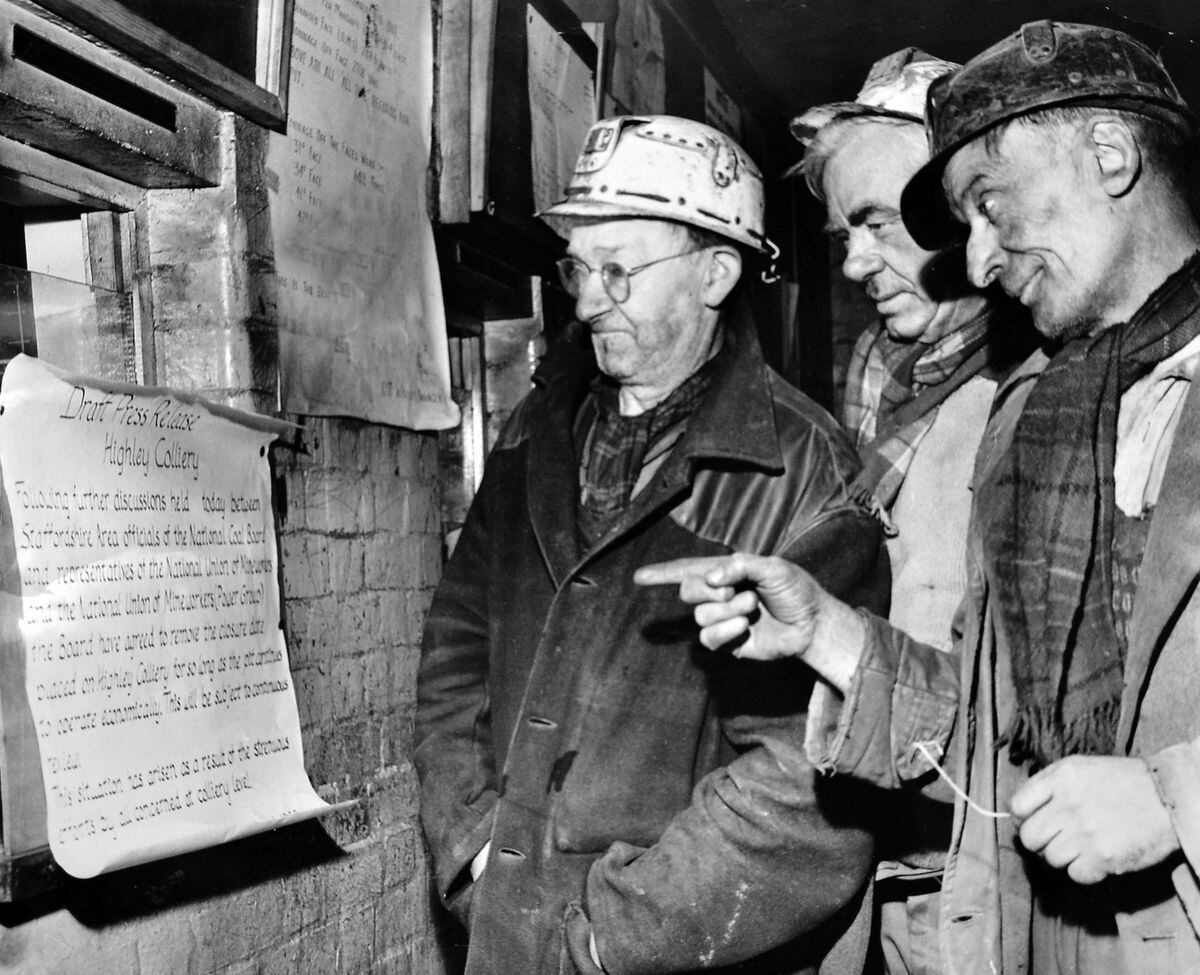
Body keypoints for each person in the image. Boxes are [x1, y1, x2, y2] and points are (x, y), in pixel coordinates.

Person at [638, 21, 1200, 975]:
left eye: (989, 201)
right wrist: (827, 633)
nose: (977, 264)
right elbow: (992, 732)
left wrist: (1177, 798)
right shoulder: (1039, 419)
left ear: (1108, 154)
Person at [414, 114, 887, 975]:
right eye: (577, 268)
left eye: (620, 269)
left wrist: (613, 934)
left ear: (716, 272)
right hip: (509, 933)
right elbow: (454, 658)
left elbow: (805, 775)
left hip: (670, 953)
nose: (589, 298)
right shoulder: (533, 436)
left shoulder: (802, 468)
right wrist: (475, 847)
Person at [789, 46, 1032, 975]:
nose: (854, 261)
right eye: (843, 231)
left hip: (984, 877)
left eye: (880, 222)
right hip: (877, 851)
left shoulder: (1036, 383)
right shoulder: (884, 375)